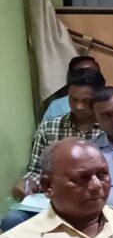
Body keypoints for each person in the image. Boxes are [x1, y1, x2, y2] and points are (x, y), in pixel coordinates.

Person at [10, 68, 106, 204]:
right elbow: (37, 170)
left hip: (95, 197)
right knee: (13, 219)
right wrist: (27, 183)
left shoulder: (109, 128)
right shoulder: (50, 127)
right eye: (73, 99)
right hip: (55, 200)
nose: (78, 107)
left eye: (86, 101)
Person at [41, 55, 100, 122]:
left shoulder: (111, 104)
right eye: (80, 74)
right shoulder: (56, 107)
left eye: (93, 74)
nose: (86, 77)